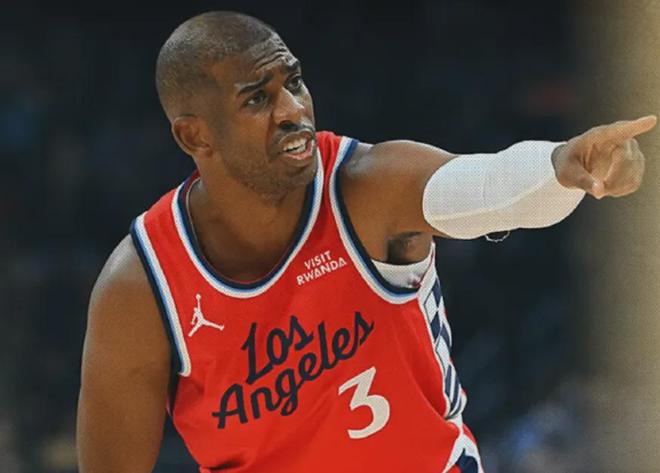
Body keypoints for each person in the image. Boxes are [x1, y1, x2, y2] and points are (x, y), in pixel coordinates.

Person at [75, 11, 655, 473]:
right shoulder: (141, 287)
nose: (293, 110)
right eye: (257, 98)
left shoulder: (368, 186)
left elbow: (489, 188)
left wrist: (565, 165)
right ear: (194, 135)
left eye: (294, 82)